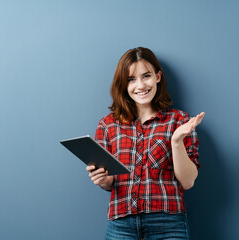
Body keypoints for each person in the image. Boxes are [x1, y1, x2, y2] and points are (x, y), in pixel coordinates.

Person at [86, 47, 205, 240]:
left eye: (146, 76)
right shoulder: (108, 125)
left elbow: (188, 181)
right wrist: (103, 180)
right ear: (123, 84)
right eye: (131, 79)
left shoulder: (179, 121)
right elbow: (109, 184)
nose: (140, 85)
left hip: (168, 225)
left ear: (158, 77)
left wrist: (176, 141)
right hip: (121, 225)